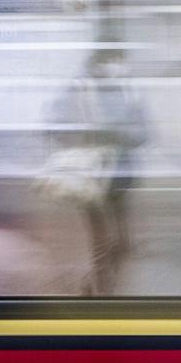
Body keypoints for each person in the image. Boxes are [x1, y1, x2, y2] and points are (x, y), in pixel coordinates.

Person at [49, 46, 149, 289]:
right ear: (97, 62)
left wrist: (120, 134)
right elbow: (56, 127)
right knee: (100, 234)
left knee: (121, 239)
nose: (116, 67)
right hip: (89, 171)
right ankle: (101, 284)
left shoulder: (128, 91)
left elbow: (144, 133)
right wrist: (85, 135)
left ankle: (103, 280)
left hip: (119, 172)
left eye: (119, 62)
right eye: (112, 61)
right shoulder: (78, 89)